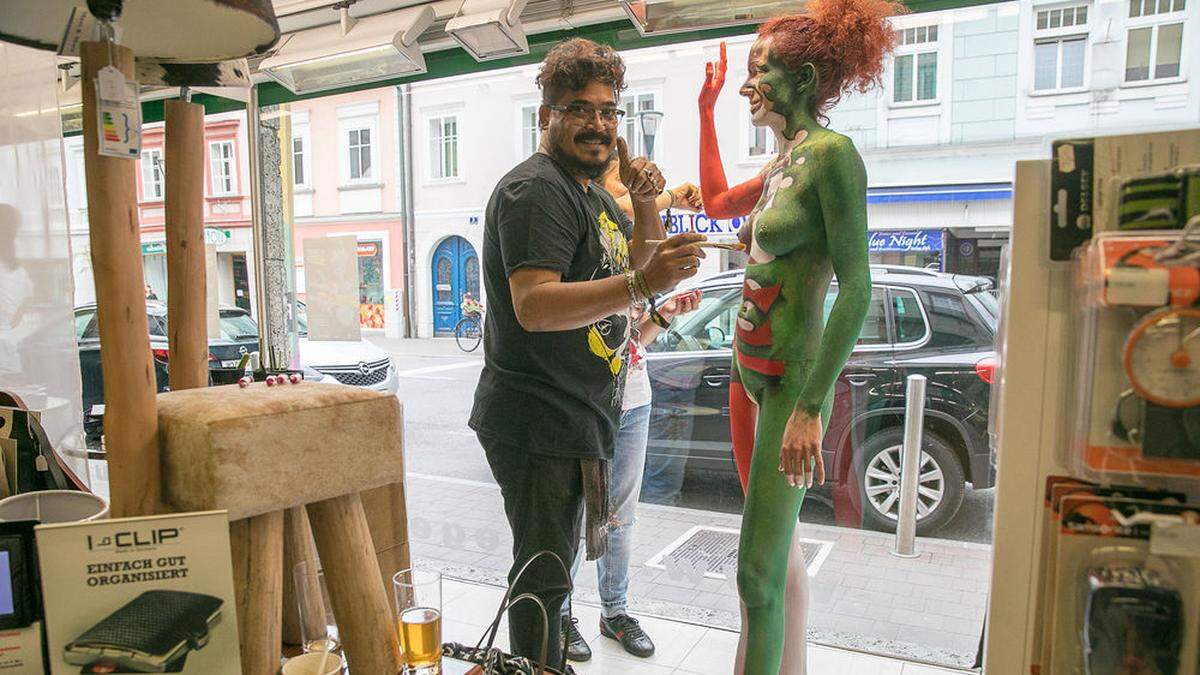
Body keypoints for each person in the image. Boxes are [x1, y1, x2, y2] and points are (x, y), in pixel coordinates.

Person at [469, 37, 706, 671]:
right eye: (580, 108)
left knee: (553, 566)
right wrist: (642, 287)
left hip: (575, 415)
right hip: (536, 415)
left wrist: (646, 198)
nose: (598, 123)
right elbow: (535, 304)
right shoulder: (536, 191)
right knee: (544, 570)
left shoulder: (592, 192)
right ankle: (539, 666)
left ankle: (544, 661)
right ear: (546, 114)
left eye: (609, 110)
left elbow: (639, 258)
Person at [695, 0, 899, 672]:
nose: (751, 86)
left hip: (788, 387)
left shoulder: (832, 158)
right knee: (775, 554)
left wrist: (812, 405)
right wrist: (705, 109)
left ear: (806, 78)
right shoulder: (784, 162)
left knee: (754, 577)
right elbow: (717, 200)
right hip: (747, 375)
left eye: (764, 71)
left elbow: (858, 288)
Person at [560, 151, 704, 662]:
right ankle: (561, 615)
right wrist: (667, 194)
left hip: (634, 398)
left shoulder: (634, 259)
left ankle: (614, 610)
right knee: (575, 511)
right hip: (585, 399)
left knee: (620, 517)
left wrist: (661, 317)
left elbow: (630, 340)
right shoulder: (585, 244)